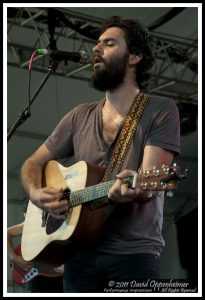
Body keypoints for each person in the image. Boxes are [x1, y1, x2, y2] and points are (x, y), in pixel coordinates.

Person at [20, 16, 180, 293]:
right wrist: (36, 193)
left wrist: (135, 188)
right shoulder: (79, 116)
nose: (96, 49)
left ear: (135, 57)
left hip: (132, 256)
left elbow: (150, 183)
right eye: (97, 43)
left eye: (109, 43)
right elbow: (33, 163)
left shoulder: (160, 110)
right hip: (78, 254)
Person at [7, 222, 64, 293]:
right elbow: (7, 233)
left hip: (64, 283)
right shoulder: (35, 221)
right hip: (38, 284)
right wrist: (14, 257)